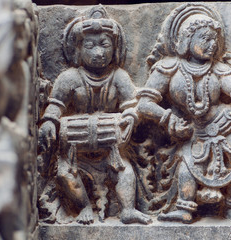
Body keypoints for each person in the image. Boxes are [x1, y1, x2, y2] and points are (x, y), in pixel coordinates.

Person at [138, 3, 231, 223]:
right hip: (190, 132)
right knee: (186, 173)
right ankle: (185, 209)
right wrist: (167, 118)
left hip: (225, 125)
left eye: (215, 40)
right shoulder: (168, 67)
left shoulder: (217, 68)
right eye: (205, 39)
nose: (211, 45)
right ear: (186, 40)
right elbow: (144, 103)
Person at [38, 6, 151, 225]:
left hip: (111, 149)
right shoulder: (69, 78)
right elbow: (55, 107)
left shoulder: (119, 76)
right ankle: (83, 207)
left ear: (115, 49)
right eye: (89, 46)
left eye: (104, 45)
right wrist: (49, 122)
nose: (98, 52)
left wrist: (130, 118)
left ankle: (127, 210)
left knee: (125, 171)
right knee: (64, 174)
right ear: (77, 49)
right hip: (75, 150)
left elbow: (131, 106)